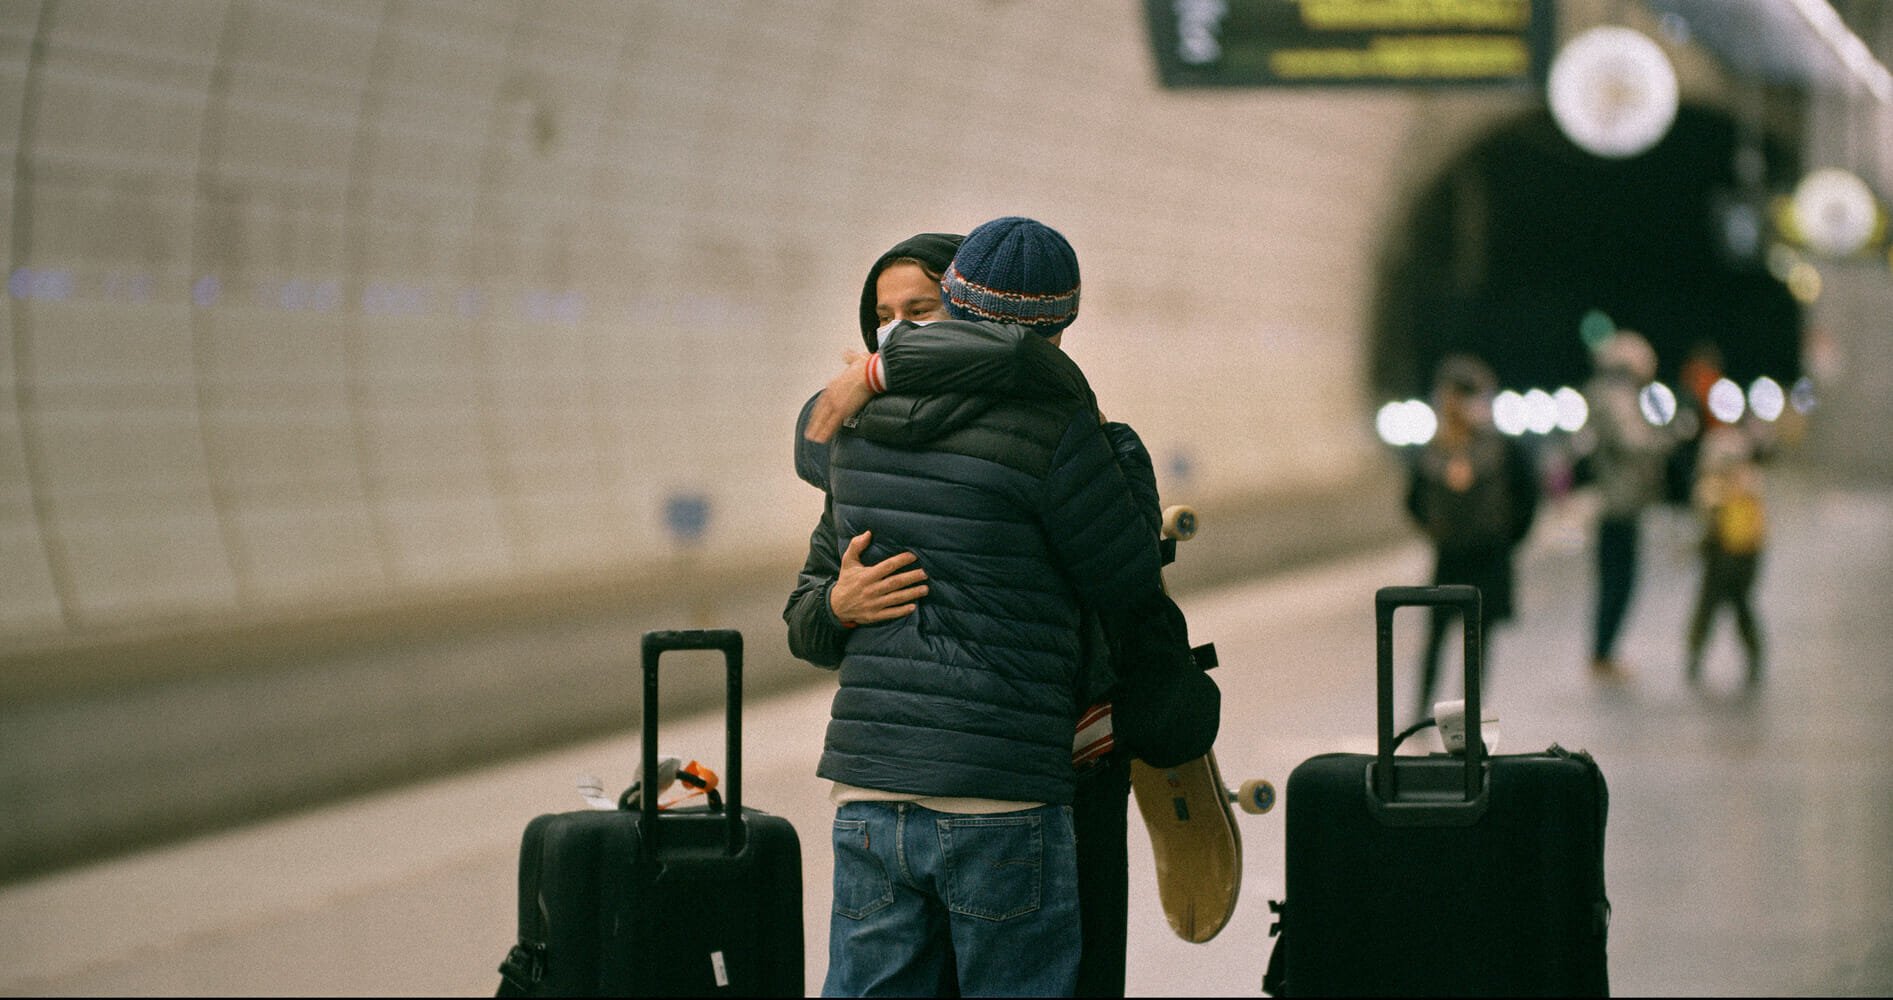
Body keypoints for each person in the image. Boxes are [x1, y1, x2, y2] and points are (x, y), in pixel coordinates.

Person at [788, 231, 1210, 998]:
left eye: (919, 310)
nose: (901, 330)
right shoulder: (1056, 429)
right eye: (885, 318)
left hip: (871, 790)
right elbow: (1125, 583)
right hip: (1004, 785)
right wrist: (834, 606)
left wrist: (877, 376)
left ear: (953, 302)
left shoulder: (852, 429)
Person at [1403, 355, 1539, 722]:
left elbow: (1527, 497)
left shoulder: (1501, 448)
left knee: (1477, 646)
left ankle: (1466, 718)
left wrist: (1507, 538)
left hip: (1489, 558)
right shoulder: (1433, 450)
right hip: (1450, 557)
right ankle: (1420, 714)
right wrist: (1435, 529)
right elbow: (1413, 500)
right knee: (1436, 640)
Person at [1583, 329, 1676, 678]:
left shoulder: (1610, 393)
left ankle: (1604, 652)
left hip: (1621, 501)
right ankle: (1602, 654)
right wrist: (1665, 439)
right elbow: (1632, 439)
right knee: (1618, 581)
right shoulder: (1616, 396)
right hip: (1619, 503)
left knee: (1617, 580)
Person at [1685, 425, 1767, 686]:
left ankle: (1699, 652)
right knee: (1730, 605)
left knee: (1721, 605)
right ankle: (1701, 653)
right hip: (1735, 554)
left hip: (1731, 554)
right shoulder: (1744, 481)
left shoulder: (1733, 483)